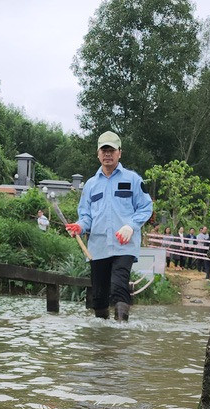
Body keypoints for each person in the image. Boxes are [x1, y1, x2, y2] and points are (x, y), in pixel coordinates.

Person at [66, 131, 153, 321]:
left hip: (124, 246)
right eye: (103, 150)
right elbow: (86, 216)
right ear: (98, 153)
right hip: (97, 248)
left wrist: (131, 225)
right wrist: (79, 227)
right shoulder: (90, 185)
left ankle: (121, 332)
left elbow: (146, 207)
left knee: (119, 285)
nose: (107, 154)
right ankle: (103, 339)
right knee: (98, 297)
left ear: (119, 153)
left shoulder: (133, 179)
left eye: (111, 150)